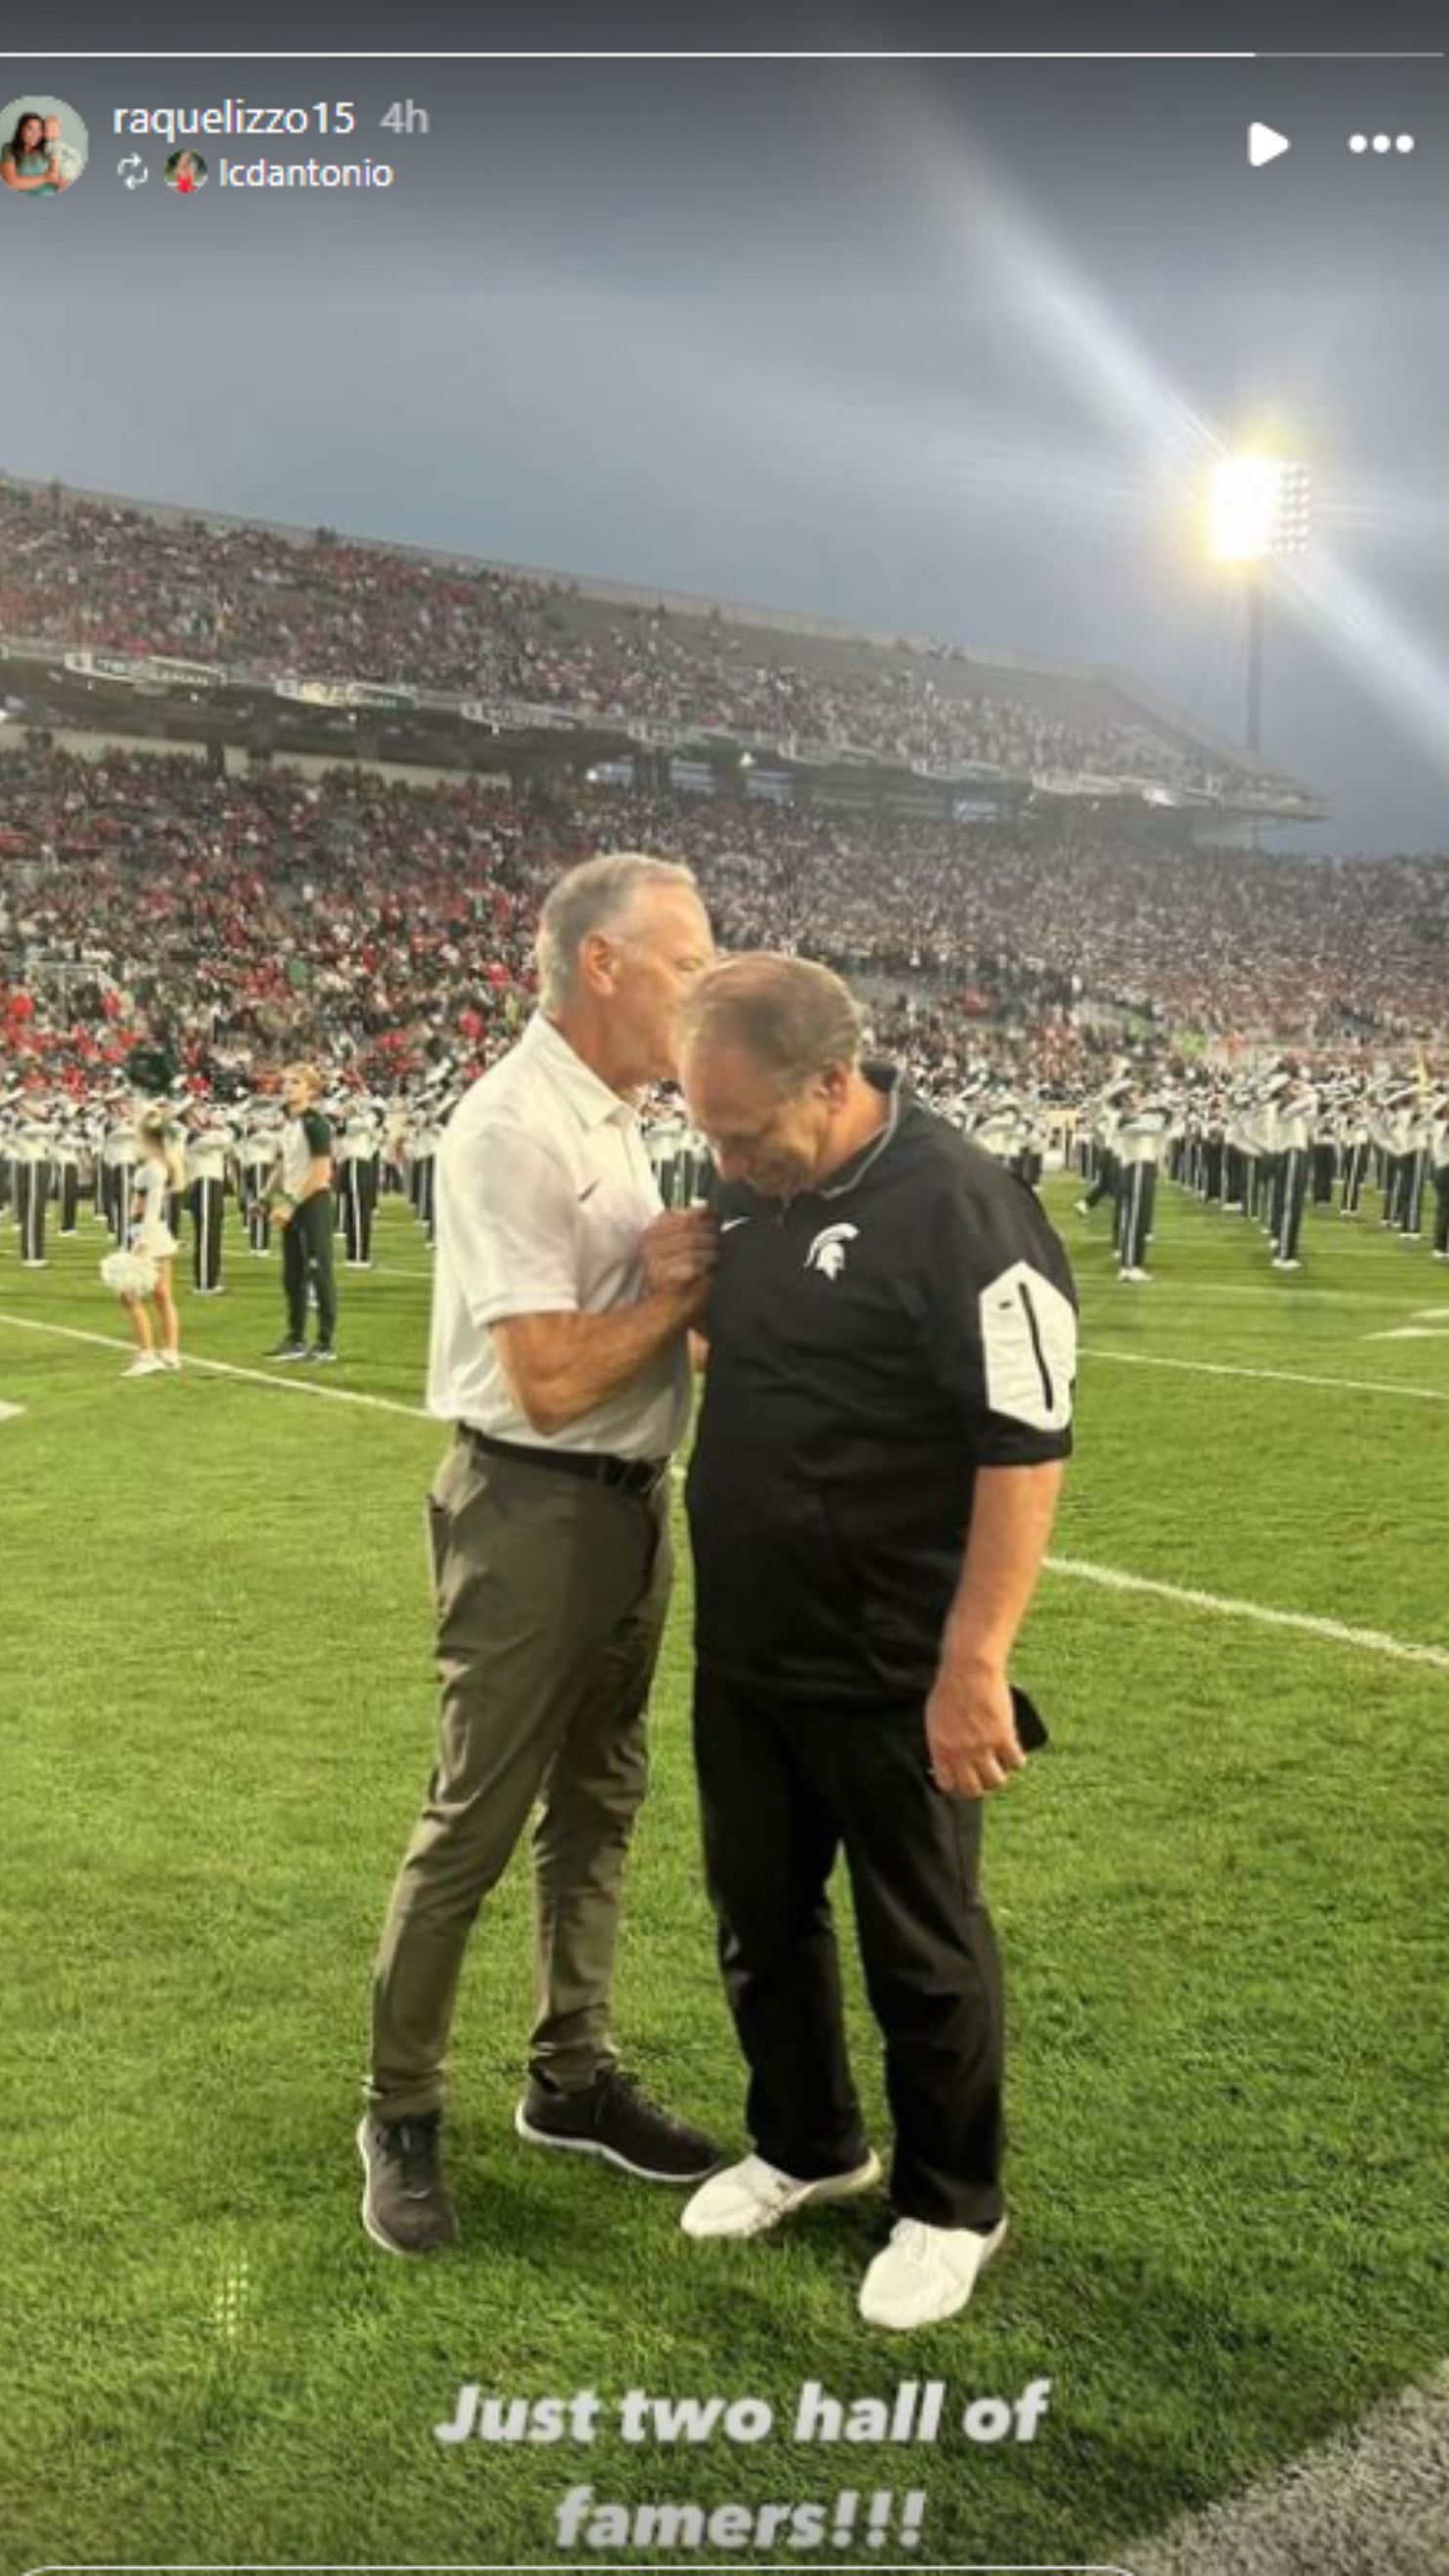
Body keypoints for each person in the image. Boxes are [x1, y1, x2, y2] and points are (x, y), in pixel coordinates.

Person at [674, 954, 1076, 2331]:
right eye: (707, 1131)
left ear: (833, 1082)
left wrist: (972, 1665)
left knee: (921, 1943)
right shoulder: (752, 1186)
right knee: (758, 1917)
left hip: (895, 1659)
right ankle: (807, 2144)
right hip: (748, 1647)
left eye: (743, 1131)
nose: (724, 1158)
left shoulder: (963, 1205)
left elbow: (1024, 1445)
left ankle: (953, 2201)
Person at [360, 852, 722, 2257]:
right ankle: (398, 2111)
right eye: (686, 959)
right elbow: (547, 1377)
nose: (704, 983)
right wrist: (673, 1288)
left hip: (630, 1504)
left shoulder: (616, 1117)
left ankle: (571, 2076)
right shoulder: (514, 1122)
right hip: (532, 1504)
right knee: (474, 1823)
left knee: (601, 1806)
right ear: (603, 966)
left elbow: (630, 1341)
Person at [263, 1064, 339, 1364]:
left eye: (296, 1082)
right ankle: (295, 1338)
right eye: (285, 1081)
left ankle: (325, 1342)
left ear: (311, 1089)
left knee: (320, 1273)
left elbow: (322, 1172)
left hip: (312, 1205)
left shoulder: (315, 1123)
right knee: (292, 1275)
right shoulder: (289, 1124)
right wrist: (265, 1196)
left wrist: (290, 1203)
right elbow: (284, 1166)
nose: (288, 1086)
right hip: (293, 1202)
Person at [108, 1107, 184, 1377]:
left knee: (128, 1294)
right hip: (154, 1232)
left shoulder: (154, 1168)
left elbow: (151, 1208)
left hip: (147, 1232)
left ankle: (146, 1354)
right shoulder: (159, 1164)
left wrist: (140, 1245)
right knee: (163, 1296)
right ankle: (171, 1353)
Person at [1, 111, 66, 194]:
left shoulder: (50, 148)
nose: (35, 134)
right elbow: (11, 182)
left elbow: (61, 178)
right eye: (30, 128)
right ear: (21, 129)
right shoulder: (9, 149)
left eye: (39, 129)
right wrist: (45, 178)